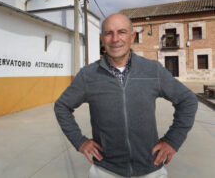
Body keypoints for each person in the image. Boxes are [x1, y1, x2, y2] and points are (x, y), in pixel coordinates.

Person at [54, 13, 198, 178]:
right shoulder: (88, 75)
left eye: (121, 32)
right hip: (105, 171)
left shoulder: (152, 70)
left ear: (132, 36)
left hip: (151, 170)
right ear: (102, 38)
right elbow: (62, 106)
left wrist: (173, 140)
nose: (115, 39)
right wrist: (79, 141)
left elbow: (188, 100)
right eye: (109, 33)